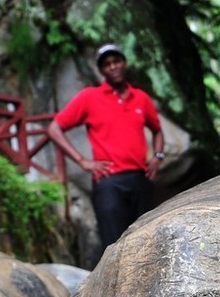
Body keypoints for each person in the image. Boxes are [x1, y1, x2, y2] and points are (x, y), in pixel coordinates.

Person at [47, 43, 165, 255]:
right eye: (106, 64)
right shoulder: (89, 97)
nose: (112, 67)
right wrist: (83, 161)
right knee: (114, 247)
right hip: (109, 182)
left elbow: (157, 130)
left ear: (124, 63)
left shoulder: (141, 98)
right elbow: (54, 128)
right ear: (101, 70)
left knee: (146, 244)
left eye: (116, 61)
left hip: (140, 179)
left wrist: (158, 156)